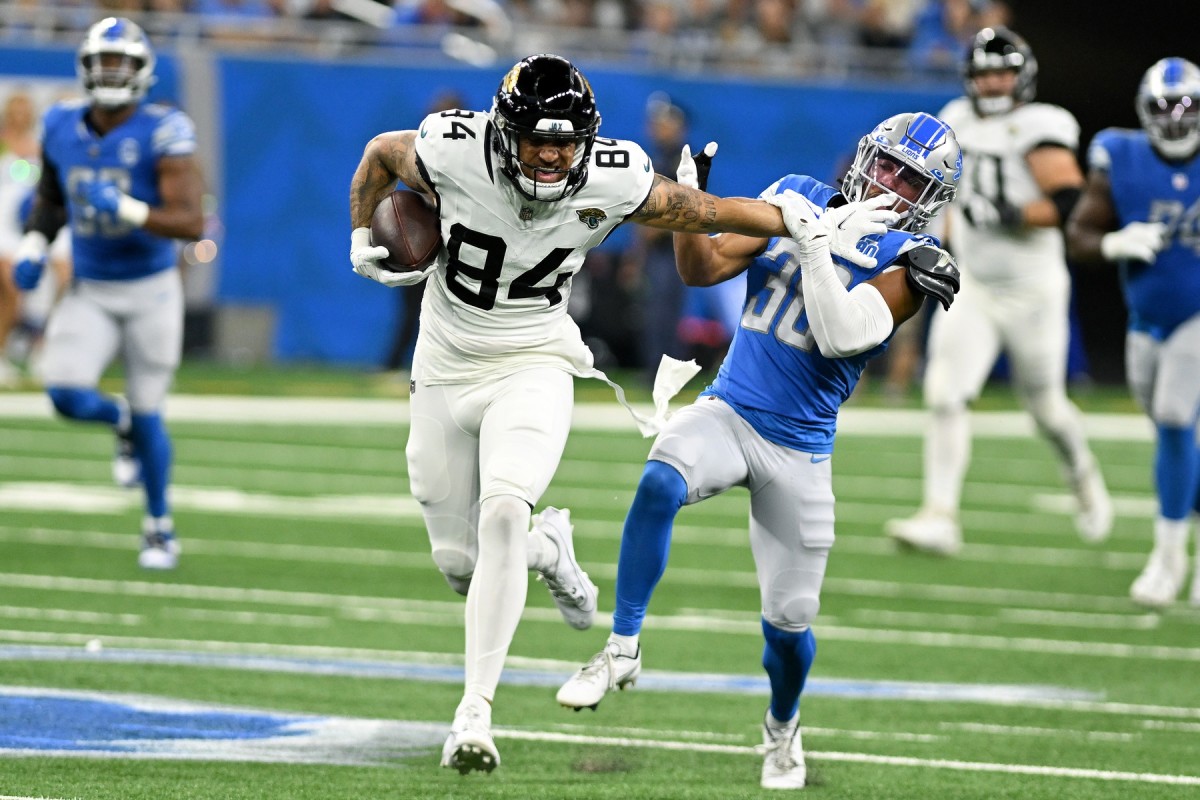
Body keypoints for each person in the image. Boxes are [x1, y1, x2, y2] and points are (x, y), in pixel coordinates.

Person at [347, 53, 865, 776]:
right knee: (463, 566)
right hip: (441, 368)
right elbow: (378, 154)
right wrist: (358, 236)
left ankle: (474, 714)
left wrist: (800, 223)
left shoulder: (609, 175)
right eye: (538, 140)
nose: (554, 155)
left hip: (535, 361)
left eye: (566, 141)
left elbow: (706, 212)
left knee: (501, 510)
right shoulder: (450, 147)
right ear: (504, 133)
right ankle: (546, 549)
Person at [556, 111, 964, 791]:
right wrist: (689, 215)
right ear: (864, 156)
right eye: (887, 164)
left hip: (799, 452)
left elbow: (839, 336)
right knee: (660, 479)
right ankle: (621, 646)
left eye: (910, 178)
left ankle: (782, 726)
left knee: (788, 627)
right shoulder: (797, 194)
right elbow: (704, 268)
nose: (889, 183)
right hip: (731, 411)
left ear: (931, 198)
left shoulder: (908, 262)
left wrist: (813, 247)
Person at [884, 26, 1113, 555]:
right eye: (984, 73)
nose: (992, 83)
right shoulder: (955, 119)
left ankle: (1081, 473)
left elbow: (1068, 203)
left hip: (1033, 291)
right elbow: (940, 202)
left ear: (1022, 75)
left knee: (1046, 408)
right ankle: (940, 515)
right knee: (944, 393)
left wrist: (1011, 213)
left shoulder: (1041, 124)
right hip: (977, 285)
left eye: (1001, 72)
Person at [11, 17, 204, 569]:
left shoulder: (164, 129)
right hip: (92, 286)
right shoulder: (60, 124)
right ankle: (118, 424)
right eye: (102, 64)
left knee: (151, 409)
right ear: (86, 70)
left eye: (120, 63)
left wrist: (126, 208)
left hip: (150, 289)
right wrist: (32, 247)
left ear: (141, 71)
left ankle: (159, 525)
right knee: (65, 394)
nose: (111, 73)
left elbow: (191, 221)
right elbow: (50, 199)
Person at [1066, 58, 1200, 608]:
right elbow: (1080, 232)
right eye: (1163, 108)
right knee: (1175, 434)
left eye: (1185, 107)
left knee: (1174, 414)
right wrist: (1115, 243)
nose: (1173, 119)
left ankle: (1168, 558)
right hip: (1146, 319)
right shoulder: (1118, 155)